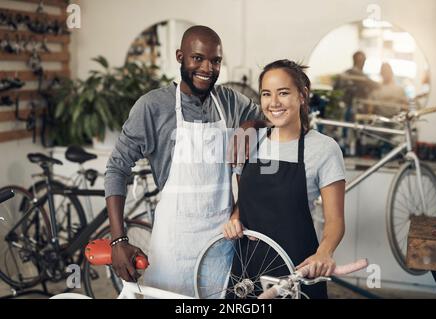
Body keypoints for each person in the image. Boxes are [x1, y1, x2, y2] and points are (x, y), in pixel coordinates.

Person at [104, 25, 262, 297]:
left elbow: (268, 116)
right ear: (180, 57)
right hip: (174, 246)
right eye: (197, 58)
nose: (207, 68)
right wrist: (118, 240)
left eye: (215, 61)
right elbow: (116, 169)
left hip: (220, 242)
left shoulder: (230, 101)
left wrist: (250, 124)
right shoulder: (153, 106)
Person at [223, 60, 346, 299]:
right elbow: (246, 202)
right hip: (246, 268)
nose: (274, 102)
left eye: (283, 93)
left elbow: (336, 221)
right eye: (267, 94)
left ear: (302, 96)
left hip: (297, 269)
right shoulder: (249, 141)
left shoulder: (323, 149)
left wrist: (324, 252)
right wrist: (234, 218)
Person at [333, 51, 378, 120]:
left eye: (362, 60)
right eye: (360, 60)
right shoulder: (352, 74)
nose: (361, 62)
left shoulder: (347, 73)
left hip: (355, 109)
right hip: (350, 107)